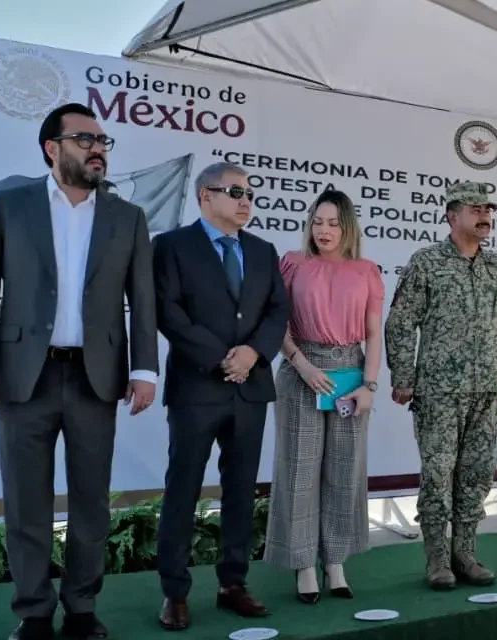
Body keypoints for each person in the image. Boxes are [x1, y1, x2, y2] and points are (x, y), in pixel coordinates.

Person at [0, 103, 158, 640]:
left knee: (92, 501)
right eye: (85, 138)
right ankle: (34, 613)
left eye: (103, 140)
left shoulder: (127, 217)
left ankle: (83, 607)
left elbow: (143, 300)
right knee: (27, 501)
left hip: (97, 377)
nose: (98, 148)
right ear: (53, 148)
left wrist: (145, 369)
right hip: (24, 376)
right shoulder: (9, 205)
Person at [152, 162, 289, 631]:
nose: (245, 200)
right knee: (183, 489)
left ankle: (234, 583)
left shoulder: (263, 250)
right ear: (204, 196)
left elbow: (277, 311)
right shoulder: (170, 246)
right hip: (196, 388)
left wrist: (252, 353)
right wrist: (220, 358)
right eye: (234, 191)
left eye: (249, 192)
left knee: (240, 492)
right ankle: (175, 591)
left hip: (250, 390)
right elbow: (167, 311)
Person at [385, 181, 497, 589]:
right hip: (439, 392)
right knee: (438, 475)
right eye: (475, 209)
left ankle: (465, 554)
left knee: (477, 474)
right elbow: (400, 322)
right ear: (452, 216)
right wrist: (404, 377)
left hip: (485, 391)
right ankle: (437, 561)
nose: (485, 216)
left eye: (488, 209)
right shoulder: (427, 263)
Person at [264, 190, 384, 603]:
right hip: (302, 369)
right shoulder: (293, 264)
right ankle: (301, 565)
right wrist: (302, 365)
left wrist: (369, 386)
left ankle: (335, 561)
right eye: (318, 221)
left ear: (347, 227)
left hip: (351, 372)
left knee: (344, 469)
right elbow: (275, 322)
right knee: (299, 469)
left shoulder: (366, 270)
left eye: (333, 223)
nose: (324, 231)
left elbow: (373, 332)